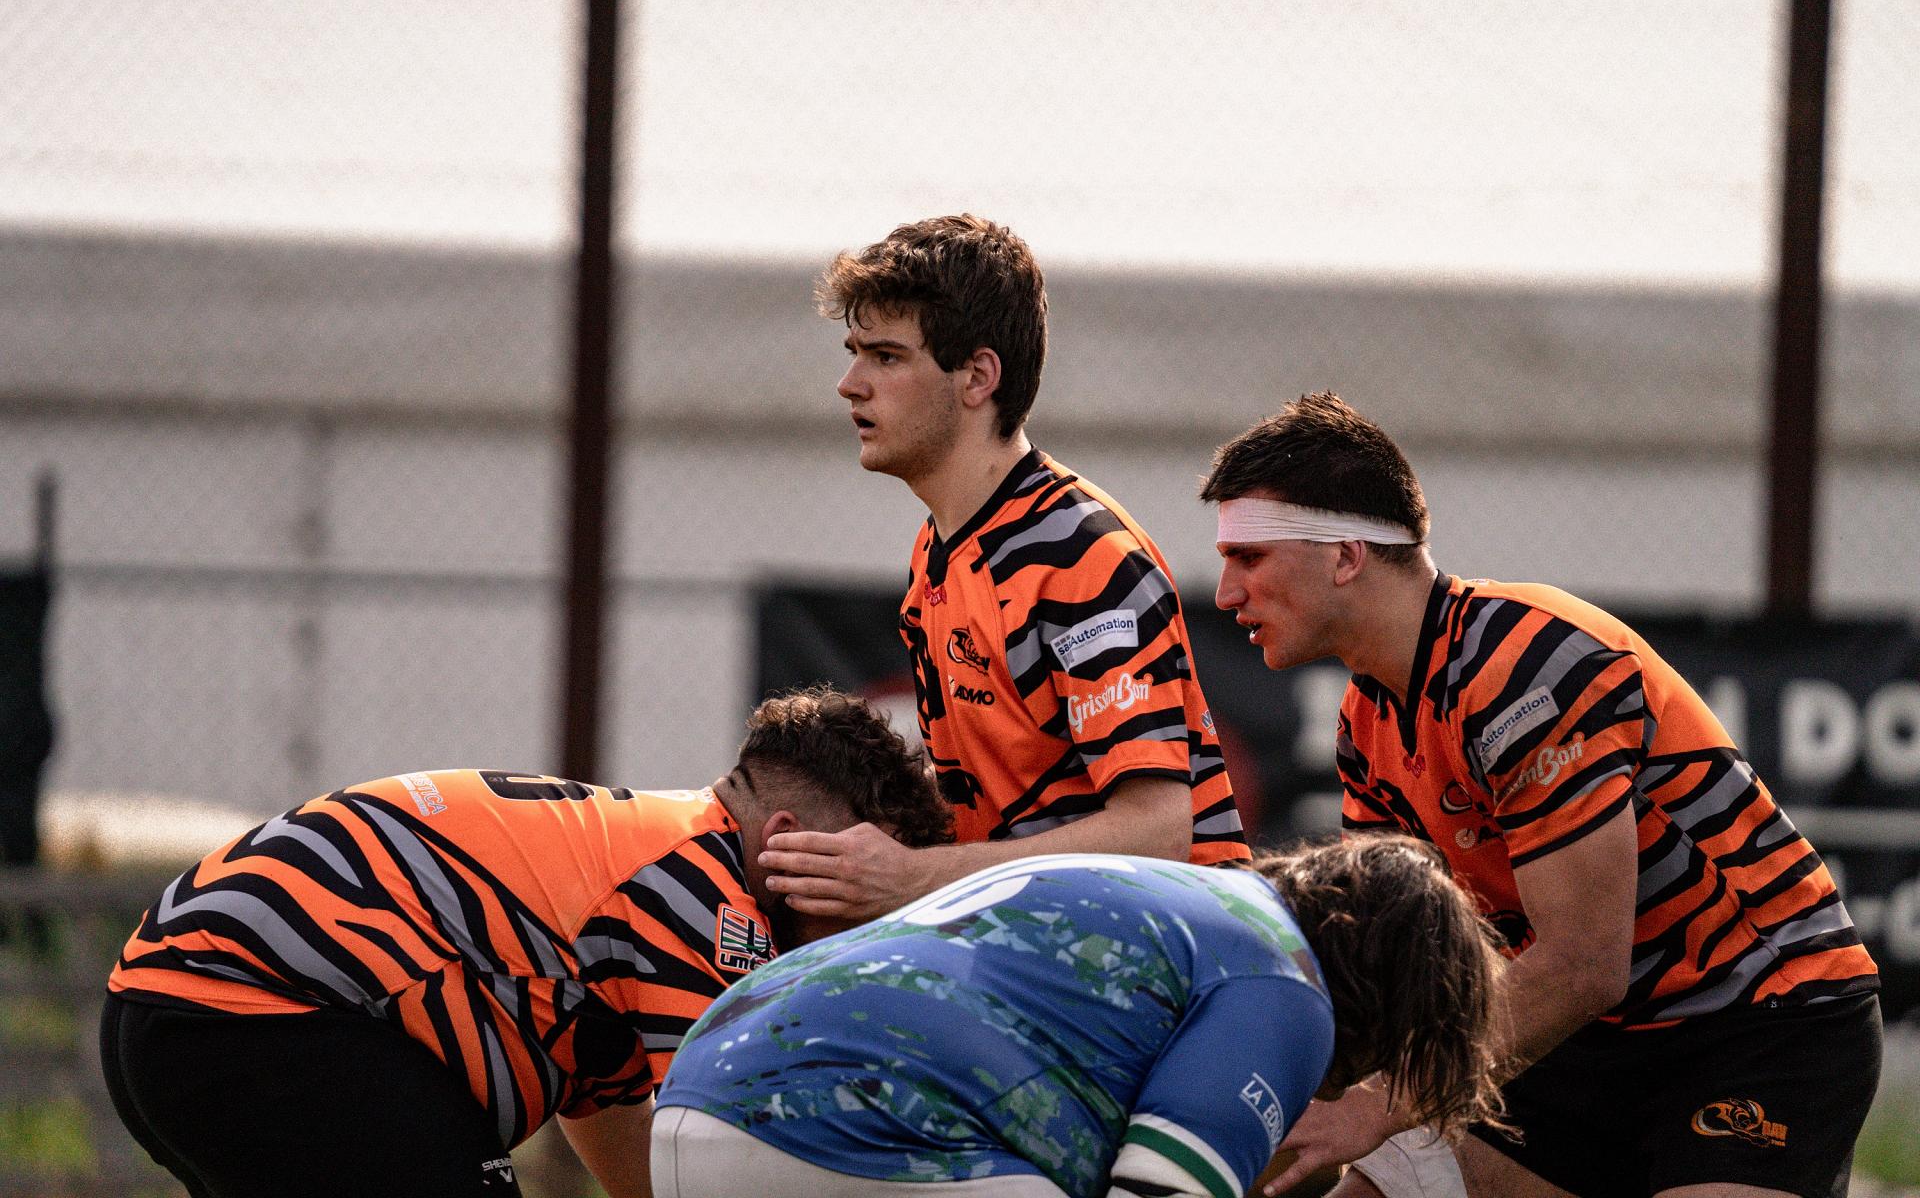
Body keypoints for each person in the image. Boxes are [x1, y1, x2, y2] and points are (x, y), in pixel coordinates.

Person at [1203, 393, 1882, 1198]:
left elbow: (1584, 965)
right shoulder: (1367, 721)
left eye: (1250, 557)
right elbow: (1401, 964)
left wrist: (1378, 1102)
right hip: (1589, 1040)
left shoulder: (1525, 667)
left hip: (1757, 1022)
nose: (1226, 593)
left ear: (1346, 556)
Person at [100, 687, 953, 1198]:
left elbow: (623, 1129)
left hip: (174, 1009)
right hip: (246, 1011)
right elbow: (728, 1150)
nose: (865, 927)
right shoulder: (705, 895)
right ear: (786, 839)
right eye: (859, 887)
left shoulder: (648, 852)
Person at [766, 214, 1248, 922]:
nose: (850, 383)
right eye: (854, 353)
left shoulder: (1079, 554)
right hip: (1046, 935)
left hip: (1171, 945)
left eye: (886, 357)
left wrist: (914, 879)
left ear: (978, 377)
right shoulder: (938, 550)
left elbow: (1157, 833)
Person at [651, 835, 1503, 1198]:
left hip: (695, 1099)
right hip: (850, 1126)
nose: (1356, 1084)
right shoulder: (1287, 988)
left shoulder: (1185, 898)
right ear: (1388, 1004)